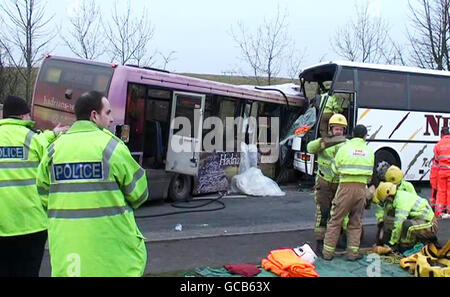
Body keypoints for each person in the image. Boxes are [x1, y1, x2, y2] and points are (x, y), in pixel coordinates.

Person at [36, 91, 149, 277]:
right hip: (111, 254)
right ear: (94, 115)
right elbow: (140, 193)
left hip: (68, 252)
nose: (112, 119)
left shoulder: (54, 149)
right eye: (108, 113)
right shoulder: (112, 147)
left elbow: (42, 193)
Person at [0, 95, 67, 277]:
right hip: (32, 225)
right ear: (23, 116)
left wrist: (52, 133)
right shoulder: (34, 140)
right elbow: (51, 151)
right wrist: (55, 134)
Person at [322, 125, 374, 261]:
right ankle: (352, 254)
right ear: (365, 136)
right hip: (362, 188)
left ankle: (327, 254)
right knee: (355, 222)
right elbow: (370, 174)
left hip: (345, 187)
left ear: (351, 133)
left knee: (335, 220)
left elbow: (334, 169)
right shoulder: (369, 151)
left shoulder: (344, 149)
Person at [307, 114, 348, 256]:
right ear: (330, 129)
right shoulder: (324, 142)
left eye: (341, 130)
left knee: (338, 211)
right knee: (322, 212)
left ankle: (338, 238)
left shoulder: (346, 144)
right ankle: (319, 241)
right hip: (324, 182)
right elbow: (310, 148)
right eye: (336, 129)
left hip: (339, 183)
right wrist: (322, 143)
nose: (339, 132)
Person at [373, 182, 438, 252]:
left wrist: (393, 244)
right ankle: (425, 238)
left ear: (389, 196)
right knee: (402, 225)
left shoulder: (401, 201)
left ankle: (406, 248)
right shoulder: (398, 196)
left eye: (386, 200)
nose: (387, 202)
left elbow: (398, 224)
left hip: (430, 224)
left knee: (407, 226)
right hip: (420, 220)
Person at [375, 165, 417, 245]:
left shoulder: (408, 186)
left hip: (405, 213)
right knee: (384, 239)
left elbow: (413, 202)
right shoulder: (384, 188)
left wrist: (393, 243)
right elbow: (380, 206)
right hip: (391, 215)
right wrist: (380, 220)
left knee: (403, 227)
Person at [433, 126, 450, 219]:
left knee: (441, 192)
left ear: (441, 134)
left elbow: (436, 161)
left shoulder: (438, 145)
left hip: (442, 172)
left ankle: (439, 211)